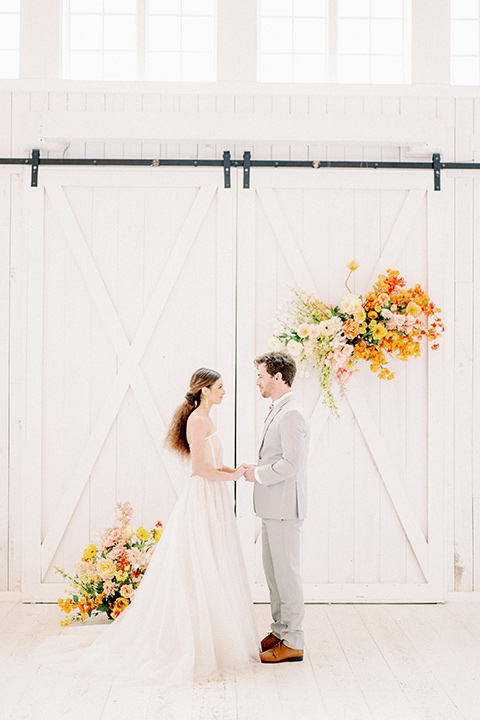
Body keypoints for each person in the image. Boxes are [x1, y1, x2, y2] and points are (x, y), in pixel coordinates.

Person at [43, 368, 258, 686]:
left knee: (213, 558)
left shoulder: (207, 417)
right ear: (204, 390)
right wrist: (231, 477)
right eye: (220, 387)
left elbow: (212, 463)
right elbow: (199, 469)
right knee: (199, 560)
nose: (225, 391)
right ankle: (193, 639)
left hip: (215, 495)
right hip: (203, 496)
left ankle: (214, 635)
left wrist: (236, 470)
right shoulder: (197, 420)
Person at [244, 352, 310, 664]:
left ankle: (293, 641)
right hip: (273, 507)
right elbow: (275, 457)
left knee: (287, 575)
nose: (257, 381)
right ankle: (281, 630)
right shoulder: (279, 410)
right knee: (274, 575)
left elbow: (291, 464)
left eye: (261, 376)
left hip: (284, 507)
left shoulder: (292, 413)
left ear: (278, 377)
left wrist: (256, 474)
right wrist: (255, 467)